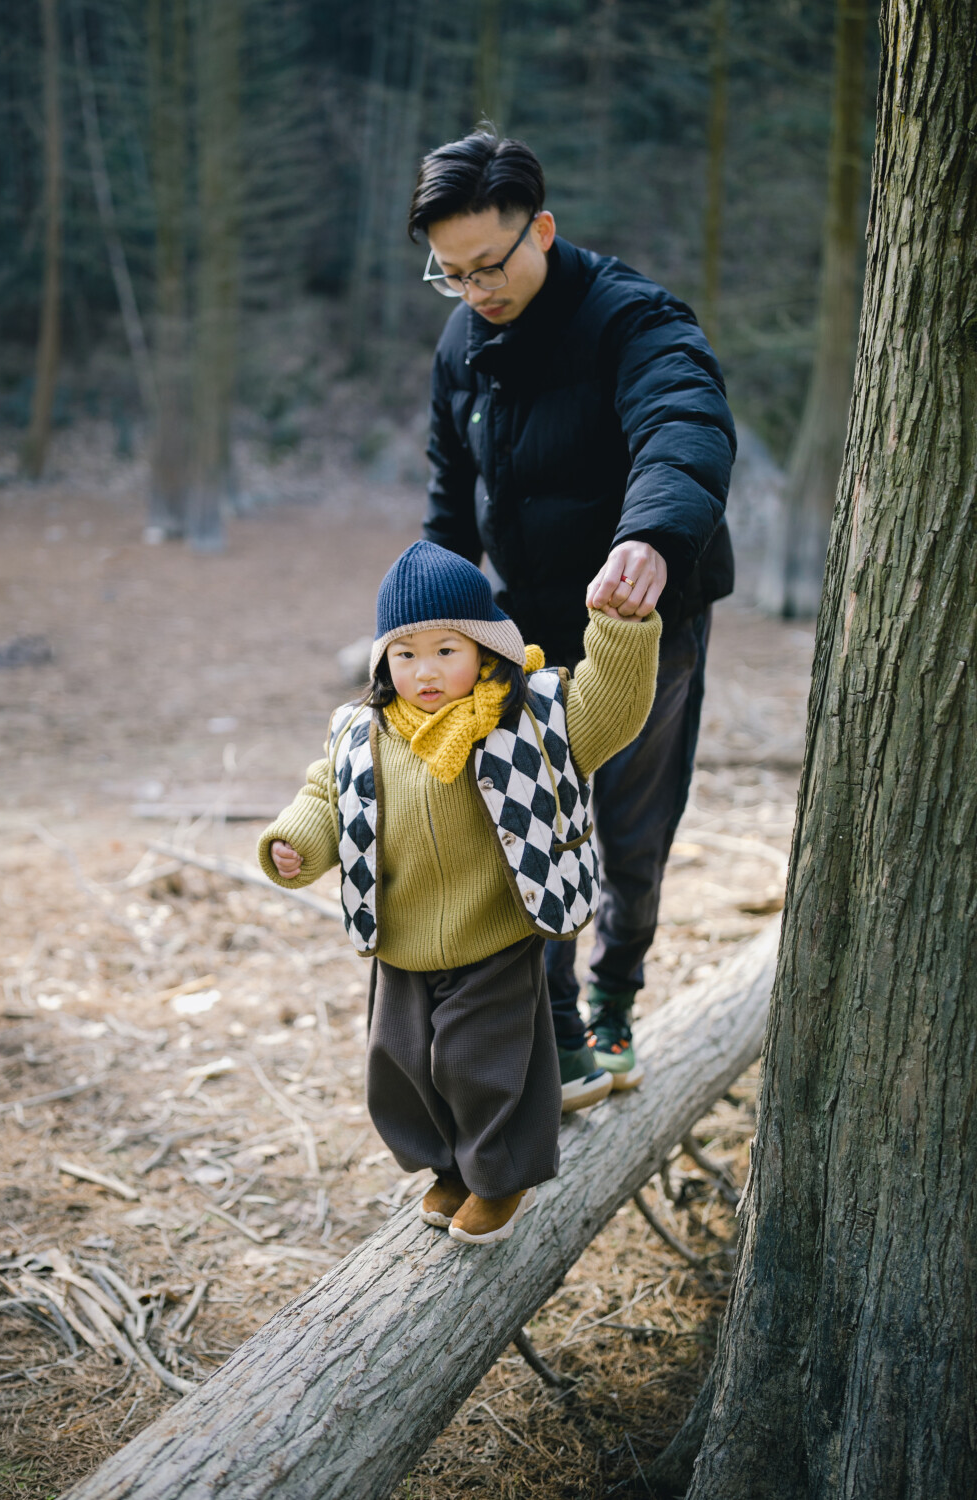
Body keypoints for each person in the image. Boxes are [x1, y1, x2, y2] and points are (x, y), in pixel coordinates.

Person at [409, 130, 736, 1106]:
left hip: (644, 618)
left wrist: (651, 536)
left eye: (489, 266)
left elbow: (684, 423)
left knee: (628, 835)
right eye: (450, 273)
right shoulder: (463, 340)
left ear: (541, 229)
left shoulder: (629, 320)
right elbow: (446, 495)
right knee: (528, 823)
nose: (474, 291)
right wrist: (428, 613)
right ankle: (554, 1036)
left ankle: (614, 995)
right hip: (529, 626)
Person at [258, 541, 661, 1245]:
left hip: (495, 931)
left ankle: (501, 1176)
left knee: (476, 1059)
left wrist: (621, 631)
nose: (426, 671)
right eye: (405, 654)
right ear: (383, 661)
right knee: (404, 1065)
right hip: (402, 938)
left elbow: (614, 708)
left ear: (487, 648)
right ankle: (448, 1162)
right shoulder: (363, 732)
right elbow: (326, 796)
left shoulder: (530, 719)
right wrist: (299, 843)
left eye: (448, 650)